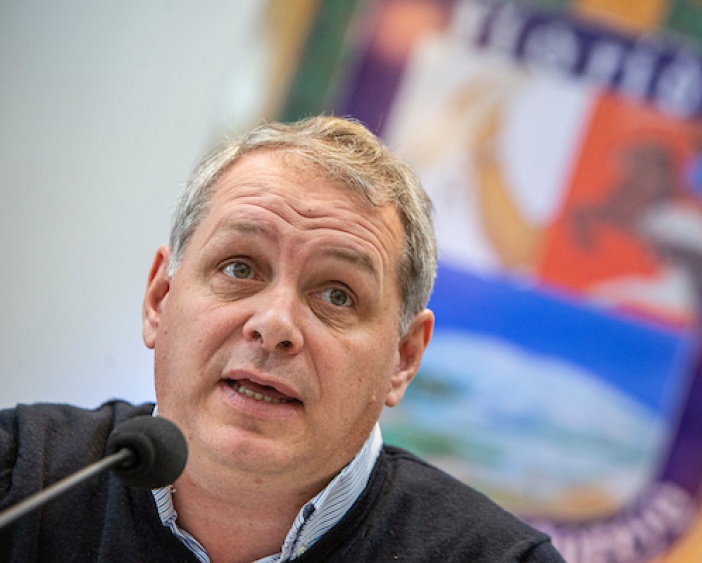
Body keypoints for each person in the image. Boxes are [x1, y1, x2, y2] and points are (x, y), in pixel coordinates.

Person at [0, 115, 564, 561]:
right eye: (240, 268)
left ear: (404, 358)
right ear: (159, 299)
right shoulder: (21, 480)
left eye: (337, 295)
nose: (274, 325)